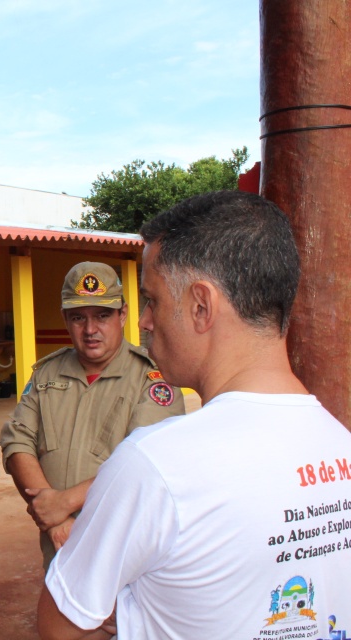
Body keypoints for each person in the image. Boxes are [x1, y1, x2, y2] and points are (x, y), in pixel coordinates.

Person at [38, 191, 351, 639]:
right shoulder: (341, 444)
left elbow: (60, 627)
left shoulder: (155, 466)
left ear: (201, 307)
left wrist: (125, 613)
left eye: (153, 300)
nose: (144, 321)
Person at [0, 261, 185, 569]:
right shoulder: (46, 374)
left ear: (122, 315)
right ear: (65, 320)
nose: (90, 330)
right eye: (78, 318)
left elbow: (146, 466)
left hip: (126, 555)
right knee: (59, 616)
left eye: (102, 315)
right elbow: (17, 442)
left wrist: (64, 503)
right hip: (59, 546)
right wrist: (55, 521)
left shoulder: (151, 379)